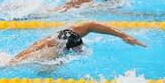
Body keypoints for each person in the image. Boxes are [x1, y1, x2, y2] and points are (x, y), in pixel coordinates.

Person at [9, 21, 146, 64]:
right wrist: (13, 62)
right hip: (35, 56)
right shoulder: (50, 46)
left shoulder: (67, 34)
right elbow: (32, 49)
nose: (80, 49)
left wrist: (123, 36)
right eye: (78, 48)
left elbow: (92, 25)